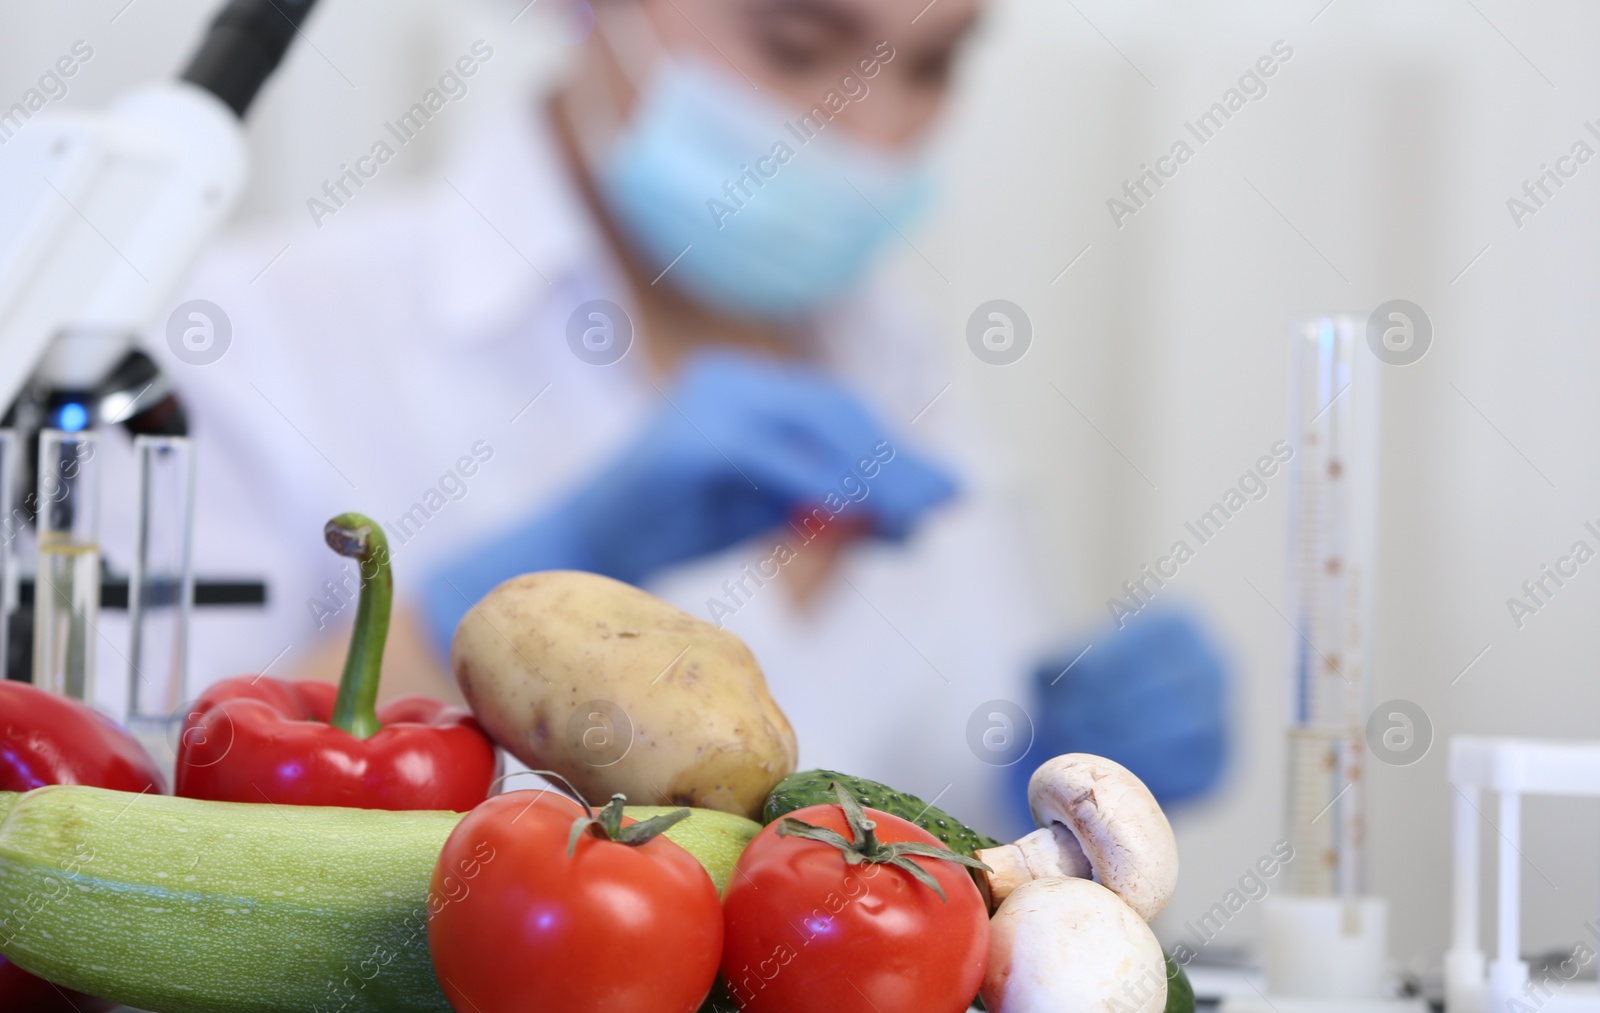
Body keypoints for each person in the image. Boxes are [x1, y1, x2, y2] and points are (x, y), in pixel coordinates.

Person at [146, 0, 1225, 838]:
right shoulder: (260, 327)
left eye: (935, 63)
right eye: (798, 44)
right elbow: (145, 824)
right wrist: (502, 594)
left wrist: (1046, 779)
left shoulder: (903, 355)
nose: (874, 129)